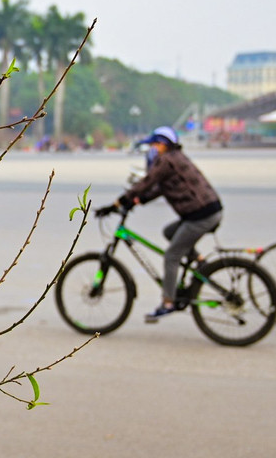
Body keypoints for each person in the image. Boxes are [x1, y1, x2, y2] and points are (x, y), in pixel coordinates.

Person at [95, 126, 223, 322]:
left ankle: (167, 303)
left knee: (172, 255)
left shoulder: (166, 160)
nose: (152, 149)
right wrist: (139, 200)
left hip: (201, 215)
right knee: (170, 232)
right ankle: (199, 260)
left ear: (163, 144)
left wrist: (119, 202)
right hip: (206, 210)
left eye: (154, 145)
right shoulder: (176, 158)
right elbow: (161, 188)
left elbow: (147, 182)